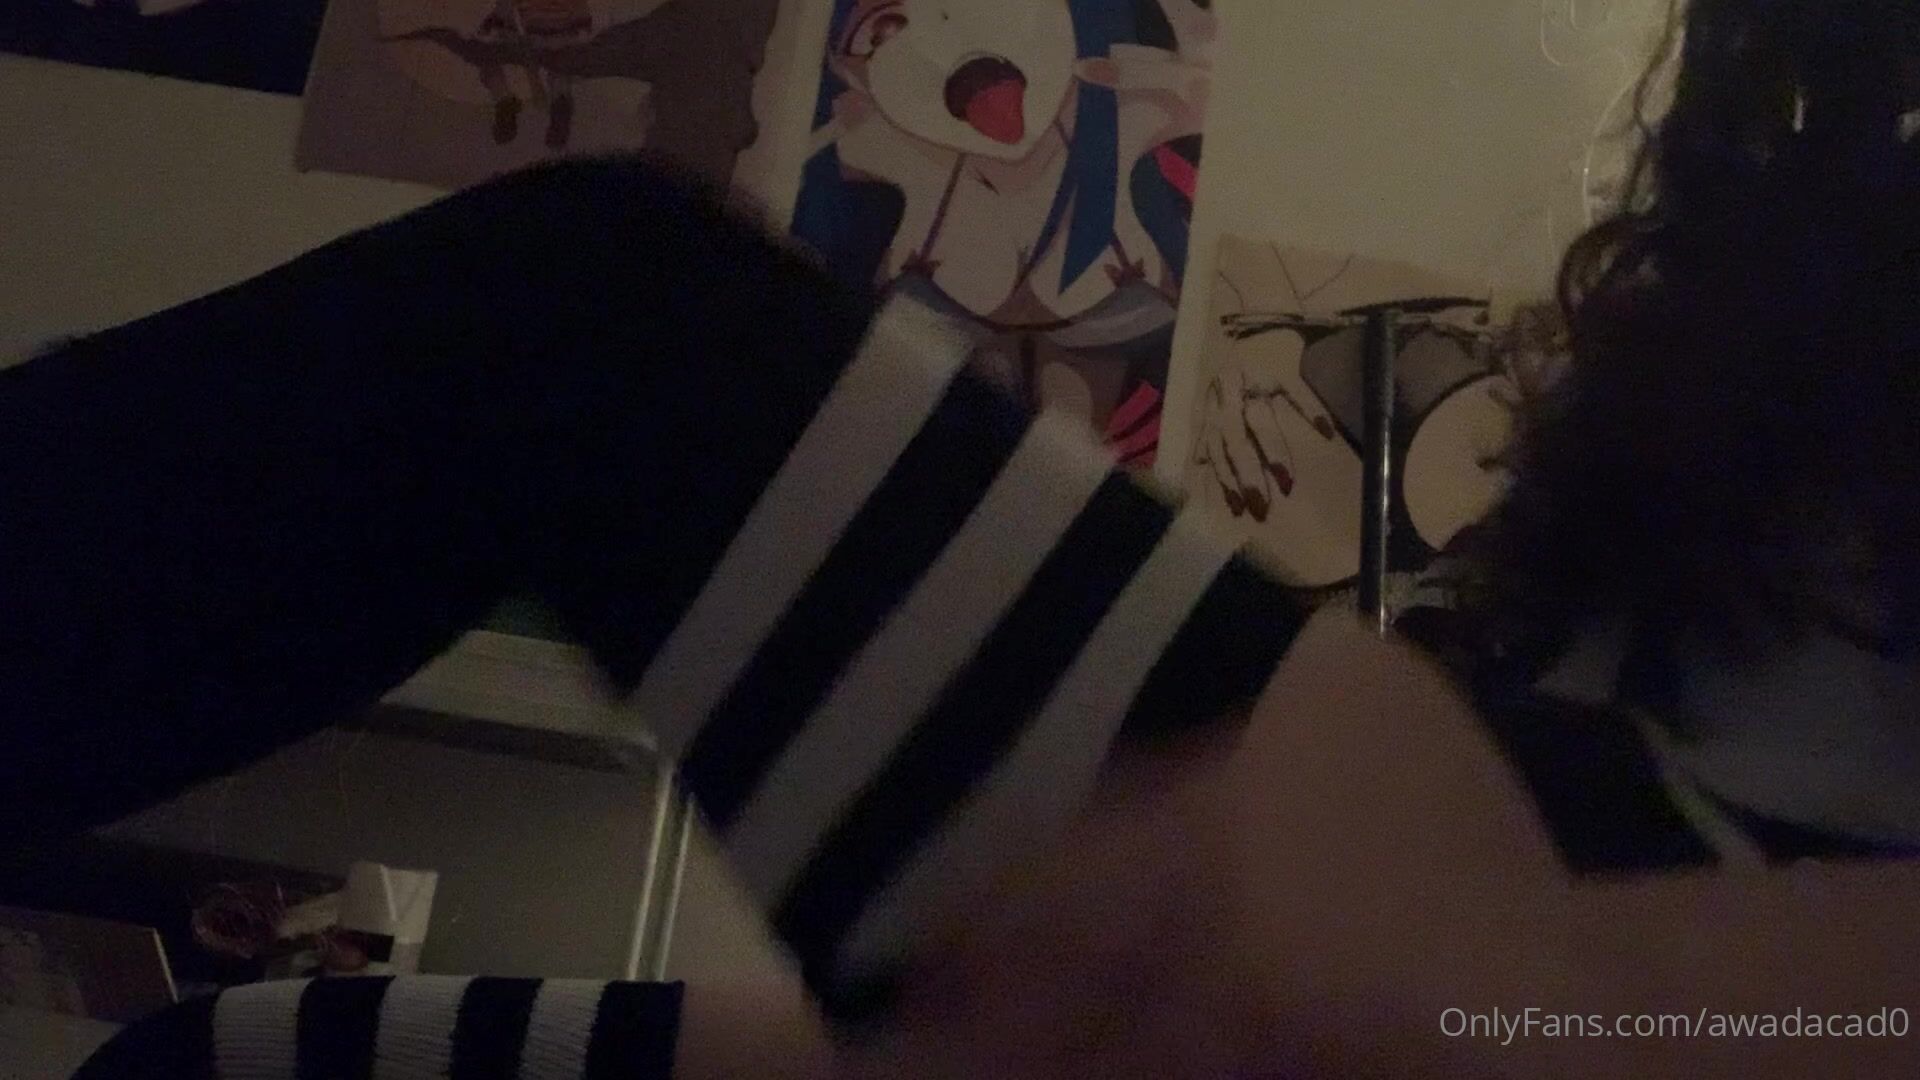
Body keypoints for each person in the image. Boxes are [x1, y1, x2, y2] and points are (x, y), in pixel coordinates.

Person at [5, 1, 1920, 1076]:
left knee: (590, 339)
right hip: (1574, 877)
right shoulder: (1814, 274)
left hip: (1626, 940)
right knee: (212, 1069)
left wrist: (1552, 990)